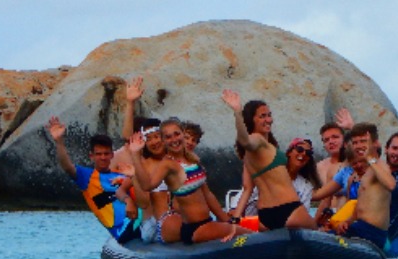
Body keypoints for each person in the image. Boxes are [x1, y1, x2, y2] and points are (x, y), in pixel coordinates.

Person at [129, 118, 241, 245]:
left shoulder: (191, 160)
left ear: (183, 134)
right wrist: (135, 156)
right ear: (164, 140)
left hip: (203, 221)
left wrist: (226, 220)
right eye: (168, 137)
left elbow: (207, 194)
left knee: (240, 234)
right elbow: (146, 188)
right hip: (187, 226)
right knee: (246, 235)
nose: (174, 139)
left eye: (177, 134)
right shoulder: (165, 164)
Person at [221, 90, 316, 231]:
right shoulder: (257, 139)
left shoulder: (249, 155)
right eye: (262, 116)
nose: (269, 120)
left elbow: (247, 189)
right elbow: (245, 141)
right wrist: (237, 112)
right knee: (317, 233)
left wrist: (235, 220)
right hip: (288, 208)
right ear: (252, 120)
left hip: (266, 214)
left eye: (269, 115)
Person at [45, 117, 138, 242]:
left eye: (106, 154)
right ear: (92, 156)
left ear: (112, 155)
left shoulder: (122, 175)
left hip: (139, 220)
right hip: (123, 229)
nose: (103, 157)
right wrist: (59, 141)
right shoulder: (86, 177)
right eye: (99, 154)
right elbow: (67, 167)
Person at [313, 123, 395, 249]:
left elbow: (391, 185)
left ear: (375, 143)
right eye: (355, 142)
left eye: (363, 141)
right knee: (320, 236)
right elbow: (361, 206)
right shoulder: (361, 174)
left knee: (322, 242)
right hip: (360, 227)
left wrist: (370, 158)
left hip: (373, 231)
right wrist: (347, 221)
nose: (358, 146)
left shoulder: (379, 165)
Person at [314, 108, 353, 225]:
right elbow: (324, 200)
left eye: (335, 137)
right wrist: (314, 225)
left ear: (344, 140)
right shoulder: (319, 167)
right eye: (326, 140)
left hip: (350, 218)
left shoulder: (354, 164)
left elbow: (366, 148)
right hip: (329, 219)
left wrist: (351, 128)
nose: (331, 141)